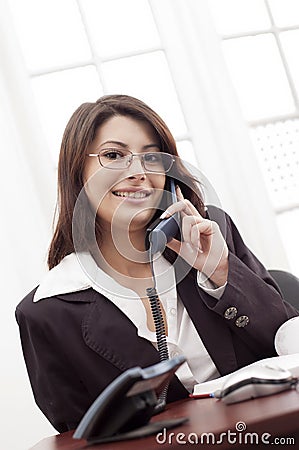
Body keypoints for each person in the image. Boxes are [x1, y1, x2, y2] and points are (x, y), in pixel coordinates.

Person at [16, 94, 298, 433]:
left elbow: (288, 348)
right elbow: (79, 438)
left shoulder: (211, 234)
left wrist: (222, 271)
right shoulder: (46, 313)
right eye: (113, 155)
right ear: (78, 171)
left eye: (152, 156)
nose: (138, 172)